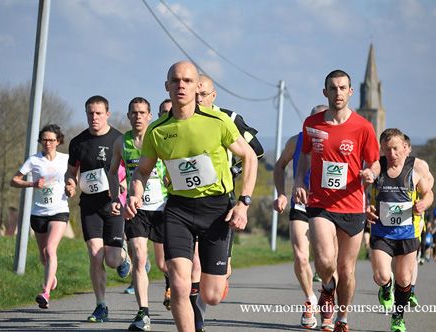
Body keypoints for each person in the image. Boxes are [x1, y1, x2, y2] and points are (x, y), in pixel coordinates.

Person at [124, 61, 258, 332]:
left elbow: (250, 157)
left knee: (211, 295)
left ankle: (216, 279)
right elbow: (141, 172)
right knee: (179, 283)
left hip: (216, 208)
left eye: (187, 81)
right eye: (175, 81)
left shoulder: (216, 121)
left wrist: (243, 203)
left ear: (197, 87)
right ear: (167, 87)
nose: (181, 85)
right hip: (178, 210)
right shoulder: (158, 130)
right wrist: (134, 195)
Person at [293, 70, 380, 332]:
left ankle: (341, 317)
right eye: (333, 88)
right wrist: (299, 181)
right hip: (320, 203)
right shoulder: (312, 123)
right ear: (325, 92)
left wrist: (371, 173)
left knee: (347, 268)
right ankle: (327, 287)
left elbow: (374, 161)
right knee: (326, 261)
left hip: (352, 205)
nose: (338, 92)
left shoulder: (363, 127)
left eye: (343, 88)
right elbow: (305, 155)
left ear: (351, 92)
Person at [193, 73, 264, 331]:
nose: (198, 99)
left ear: (213, 95)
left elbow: (255, 151)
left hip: (221, 199)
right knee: (192, 263)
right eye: (195, 93)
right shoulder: (182, 119)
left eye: (203, 94)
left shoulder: (229, 118)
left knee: (215, 271)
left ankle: (214, 282)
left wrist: (232, 170)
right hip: (186, 201)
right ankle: (196, 316)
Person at [64, 95, 131, 323]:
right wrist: (70, 183)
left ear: (107, 114)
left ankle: (124, 258)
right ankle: (101, 305)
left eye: (98, 113)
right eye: (90, 113)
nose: (94, 117)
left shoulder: (119, 140)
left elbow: (133, 171)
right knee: (95, 255)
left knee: (111, 260)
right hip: (89, 205)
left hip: (113, 203)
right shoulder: (78, 143)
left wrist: (125, 186)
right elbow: (71, 172)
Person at [108, 97, 168, 331]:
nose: (138, 116)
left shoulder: (160, 137)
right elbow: (113, 172)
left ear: (150, 115)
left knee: (165, 263)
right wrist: (115, 198)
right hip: (137, 209)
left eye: (142, 112)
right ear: (128, 116)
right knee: (140, 258)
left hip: (163, 206)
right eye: (134, 113)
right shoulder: (121, 142)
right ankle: (143, 312)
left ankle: (173, 285)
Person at [367, 128, 434, 332]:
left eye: (395, 149)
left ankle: (398, 317)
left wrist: (424, 203)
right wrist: (368, 209)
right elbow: (366, 187)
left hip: (407, 233)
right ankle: (386, 288)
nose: (392, 154)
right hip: (382, 232)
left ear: (404, 148)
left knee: (404, 278)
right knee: (381, 276)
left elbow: (428, 193)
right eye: (387, 150)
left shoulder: (415, 170)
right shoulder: (379, 167)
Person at [273, 104, 327, 329]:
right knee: (301, 256)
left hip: (328, 207)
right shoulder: (296, 141)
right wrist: (282, 194)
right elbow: (279, 166)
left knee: (326, 261)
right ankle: (309, 298)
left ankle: (328, 294)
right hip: (301, 204)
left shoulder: (336, 142)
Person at [10, 124, 69, 309]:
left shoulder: (66, 159)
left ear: (58, 141)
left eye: (51, 140)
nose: (48, 143)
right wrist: (32, 184)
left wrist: (72, 186)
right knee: (44, 256)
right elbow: (14, 180)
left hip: (59, 210)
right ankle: (51, 277)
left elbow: (74, 176)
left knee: (51, 250)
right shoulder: (34, 160)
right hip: (38, 212)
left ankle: (45, 292)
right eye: (44, 140)